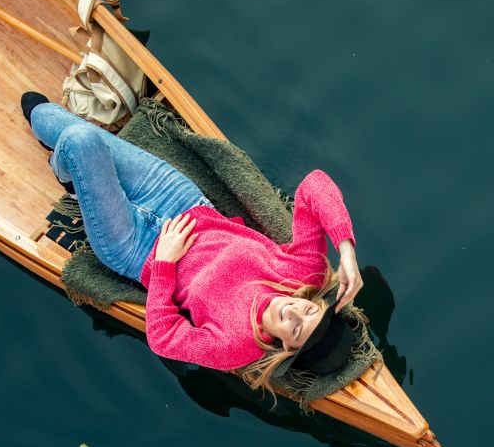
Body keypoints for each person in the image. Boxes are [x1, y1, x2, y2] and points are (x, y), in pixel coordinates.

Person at [22, 92, 363, 396]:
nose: (293, 311)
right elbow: (313, 186)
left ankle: (67, 171)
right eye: (309, 310)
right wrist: (346, 248)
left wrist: (165, 265)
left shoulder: (236, 347)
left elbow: (163, 337)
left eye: (297, 328)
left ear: (287, 347)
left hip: (134, 246)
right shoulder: (303, 276)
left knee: (81, 140)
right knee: (46, 118)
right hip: (180, 201)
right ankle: (70, 172)